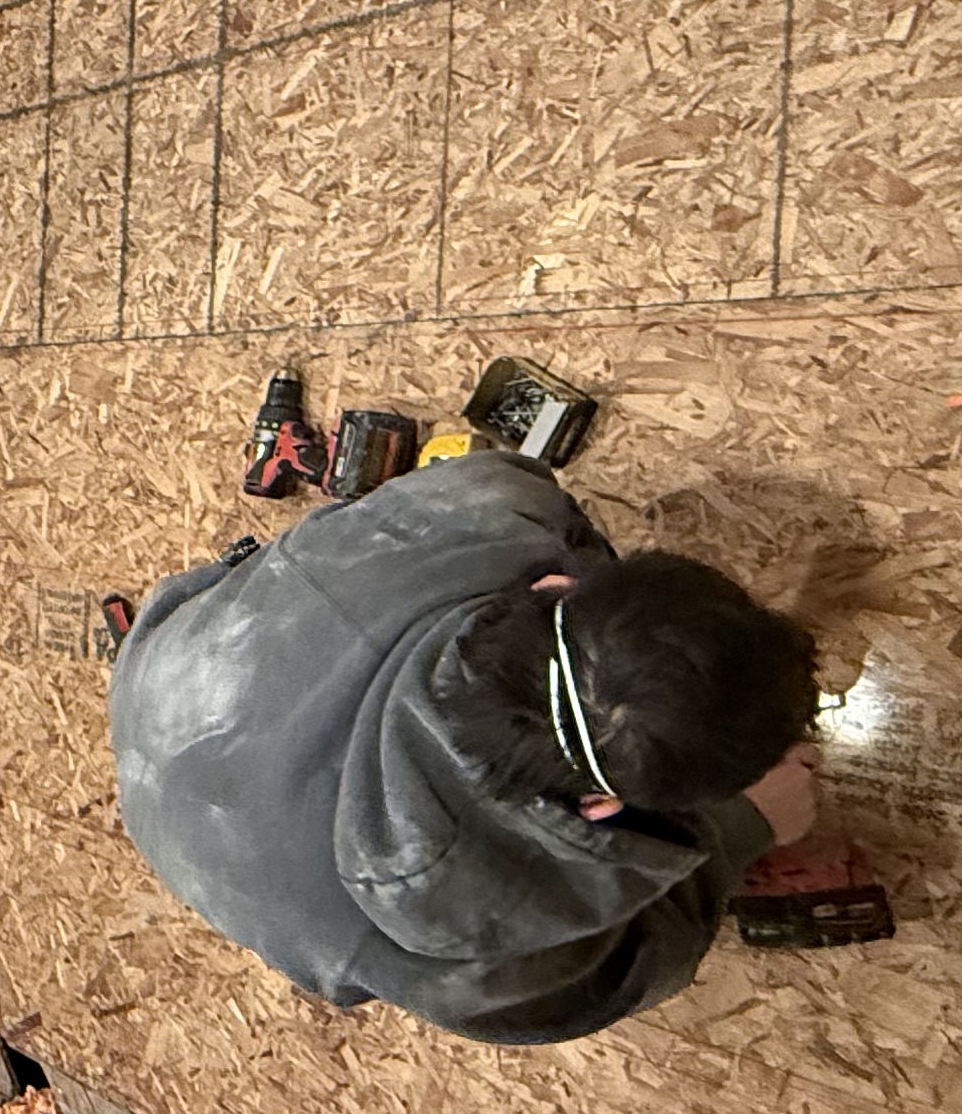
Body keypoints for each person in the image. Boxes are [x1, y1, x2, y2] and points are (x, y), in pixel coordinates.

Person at [106, 448, 820, 1046]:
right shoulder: (485, 964)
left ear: (556, 584)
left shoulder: (475, 511)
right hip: (233, 853)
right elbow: (628, 970)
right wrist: (740, 828)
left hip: (173, 682)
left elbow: (518, 476)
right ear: (599, 805)